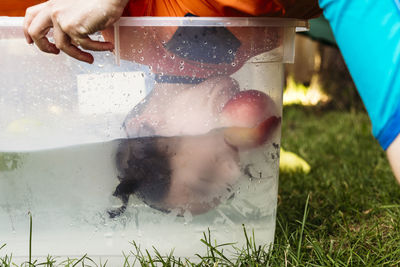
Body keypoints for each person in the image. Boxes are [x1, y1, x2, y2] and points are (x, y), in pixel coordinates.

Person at [22, 0, 400, 200]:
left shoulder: (124, 23)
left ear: (143, 126)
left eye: (205, 179)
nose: (234, 171)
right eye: (228, 187)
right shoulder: (206, 54)